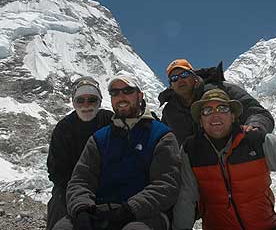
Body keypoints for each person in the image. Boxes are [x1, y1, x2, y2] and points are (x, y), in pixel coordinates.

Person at [173, 88, 276, 230]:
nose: (215, 115)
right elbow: (186, 196)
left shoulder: (256, 141)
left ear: (233, 116)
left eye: (222, 108)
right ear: (200, 120)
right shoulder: (191, 151)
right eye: (207, 111)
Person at [53, 75, 181, 230]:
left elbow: (166, 184)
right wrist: (82, 209)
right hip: (98, 211)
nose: (121, 96)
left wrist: (130, 210)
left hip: (143, 214)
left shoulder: (161, 136)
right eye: (114, 92)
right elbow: (81, 179)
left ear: (140, 95)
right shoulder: (99, 138)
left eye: (127, 90)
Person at [46, 76, 114, 230]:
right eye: (80, 100)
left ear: (100, 101)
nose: (86, 105)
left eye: (92, 100)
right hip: (69, 187)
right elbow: (57, 171)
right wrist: (79, 195)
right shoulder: (63, 128)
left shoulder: (110, 121)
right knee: (58, 204)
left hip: (107, 184)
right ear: (73, 102)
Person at [158, 59, 275, 146]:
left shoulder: (223, 90)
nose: (180, 80)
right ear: (171, 85)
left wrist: (255, 126)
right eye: (174, 78)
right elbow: (164, 139)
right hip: (196, 170)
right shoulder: (169, 111)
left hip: (236, 157)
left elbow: (258, 113)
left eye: (184, 74)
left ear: (194, 77)